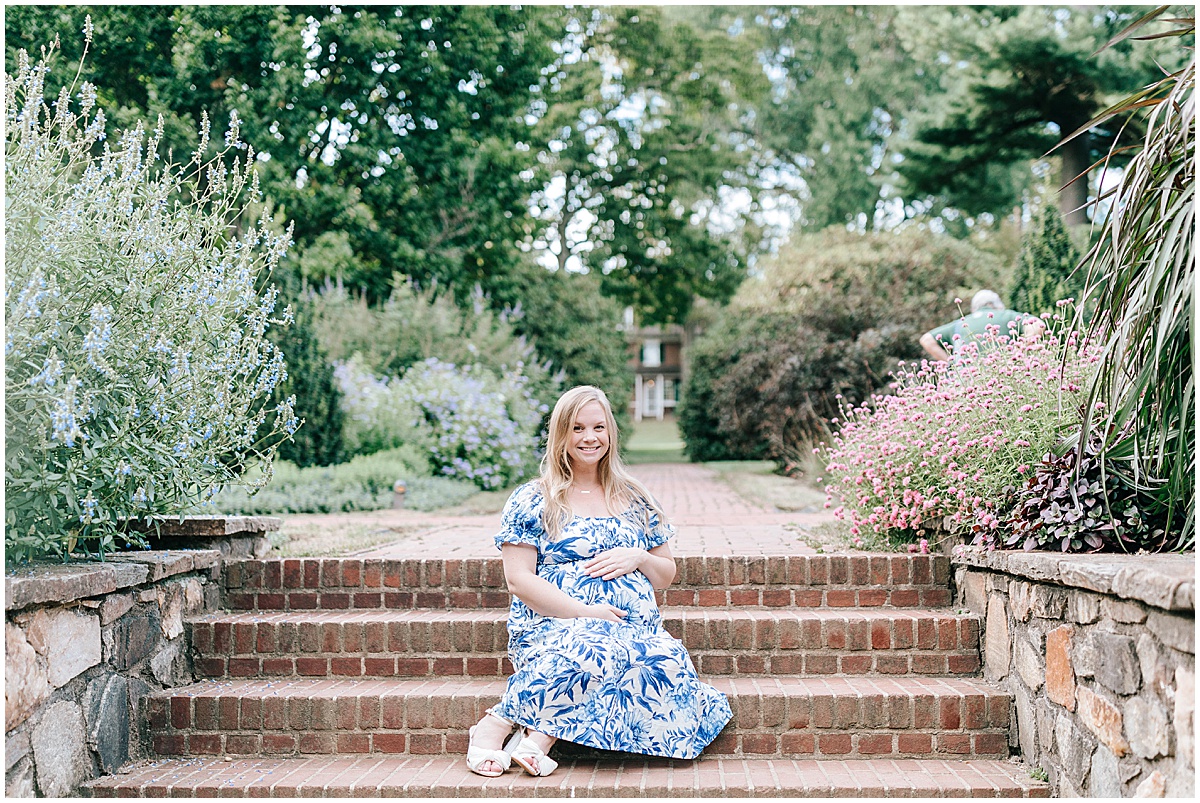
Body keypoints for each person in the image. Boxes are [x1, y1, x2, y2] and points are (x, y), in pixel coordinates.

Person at [465, 385, 732, 778]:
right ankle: (497, 724)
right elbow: (518, 580)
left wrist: (639, 556)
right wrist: (586, 612)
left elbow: (665, 575)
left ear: (611, 432)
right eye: (577, 428)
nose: (589, 438)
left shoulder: (636, 497)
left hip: (631, 628)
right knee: (594, 642)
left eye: (598, 427)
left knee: (664, 659)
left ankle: (537, 738)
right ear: (560, 434)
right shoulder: (533, 498)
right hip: (554, 622)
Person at [919, 289, 1046, 362]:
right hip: (1002, 380)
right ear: (997, 304)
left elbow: (926, 340)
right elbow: (1038, 324)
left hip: (964, 386)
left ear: (974, 308)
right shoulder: (1006, 315)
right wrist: (1020, 350)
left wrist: (951, 363)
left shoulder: (960, 324)